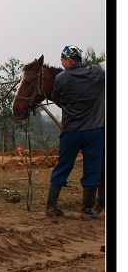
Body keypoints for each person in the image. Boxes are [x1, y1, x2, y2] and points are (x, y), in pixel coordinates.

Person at [46, 45, 105, 220]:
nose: (62, 64)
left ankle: (51, 206)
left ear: (69, 60)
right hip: (93, 131)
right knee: (92, 168)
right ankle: (86, 210)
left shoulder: (61, 78)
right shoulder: (96, 73)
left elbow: (56, 98)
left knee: (63, 166)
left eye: (62, 60)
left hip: (70, 131)